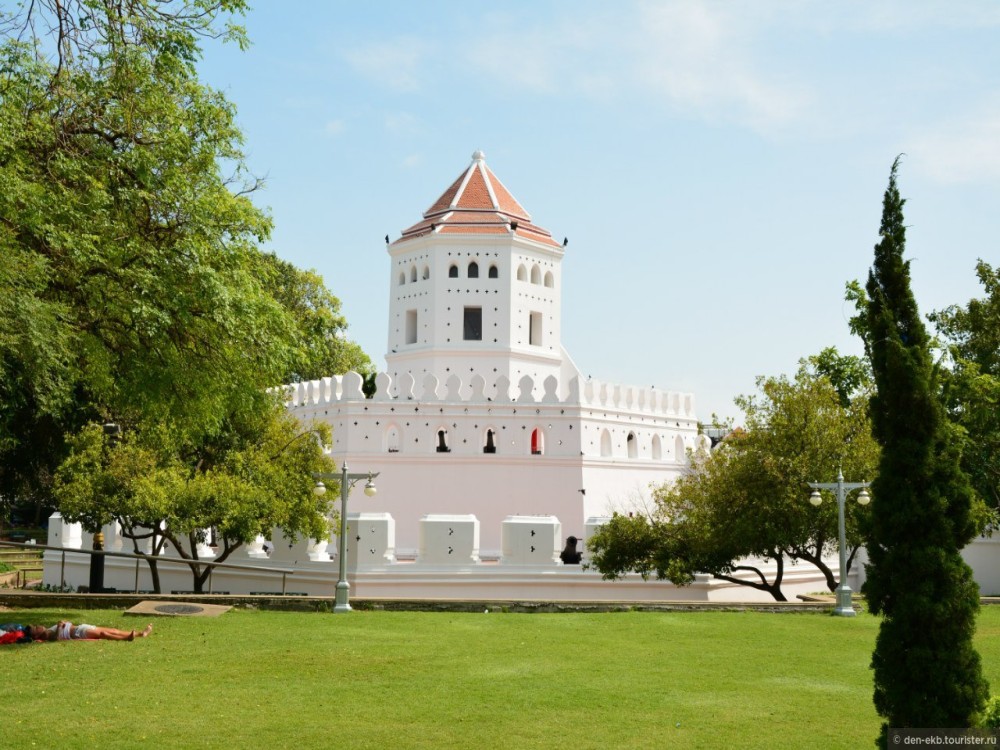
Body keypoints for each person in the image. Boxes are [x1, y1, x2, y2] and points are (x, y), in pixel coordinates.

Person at [30, 621, 153, 642]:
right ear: (36, 634)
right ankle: (126, 638)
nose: (38, 626)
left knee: (113, 630)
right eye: (36, 628)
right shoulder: (46, 634)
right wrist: (59, 627)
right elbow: (55, 639)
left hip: (81, 627)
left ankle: (141, 634)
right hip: (79, 632)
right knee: (104, 635)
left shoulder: (48, 629)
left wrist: (63, 623)